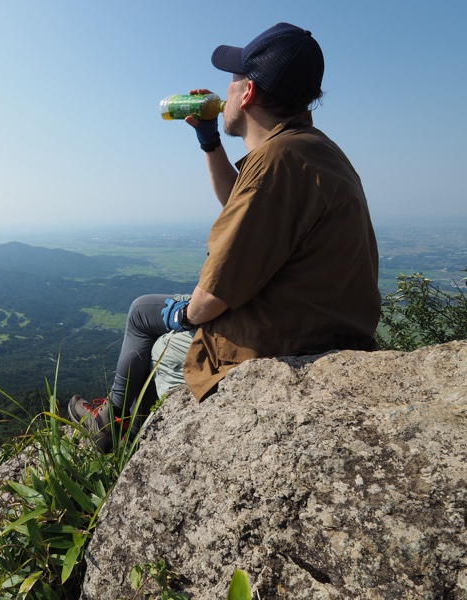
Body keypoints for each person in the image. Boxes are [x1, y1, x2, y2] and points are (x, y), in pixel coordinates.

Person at [67, 23, 381, 449]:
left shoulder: (274, 162)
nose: (225, 91)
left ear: (248, 93)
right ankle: (116, 420)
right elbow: (246, 206)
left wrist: (182, 315)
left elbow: (212, 297)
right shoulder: (310, 149)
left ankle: (113, 433)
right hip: (326, 325)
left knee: (144, 315)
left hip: (285, 341)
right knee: (160, 312)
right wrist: (210, 140)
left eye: (233, 81)